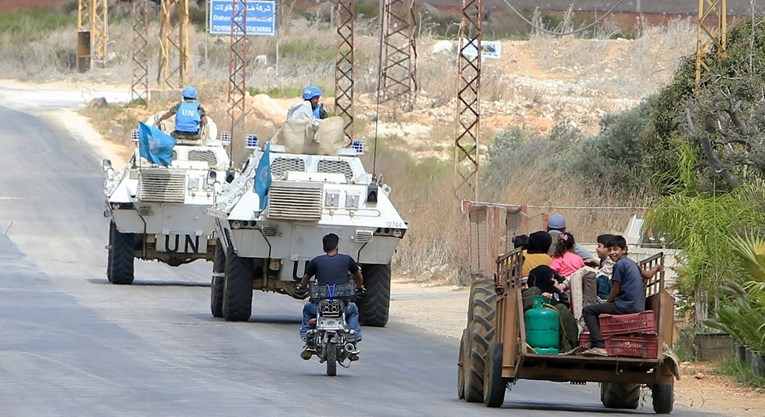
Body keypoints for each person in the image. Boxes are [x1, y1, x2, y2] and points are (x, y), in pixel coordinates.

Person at [297, 233, 365, 359]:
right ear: (337, 246)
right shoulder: (347, 259)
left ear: (324, 248)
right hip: (341, 306)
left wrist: (302, 287)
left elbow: (305, 279)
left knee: (307, 308)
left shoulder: (316, 261)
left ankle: (309, 338)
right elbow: (358, 276)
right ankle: (351, 339)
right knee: (354, 310)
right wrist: (360, 287)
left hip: (320, 306)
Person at [582, 235, 646, 356]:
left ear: (624, 249)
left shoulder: (619, 265)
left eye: (615, 249)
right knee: (598, 309)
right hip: (637, 305)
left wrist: (607, 303)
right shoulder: (632, 263)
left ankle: (599, 345)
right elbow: (647, 275)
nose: (612, 253)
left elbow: (615, 290)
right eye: (610, 250)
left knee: (588, 311)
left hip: (626, 306)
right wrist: (658, 268)